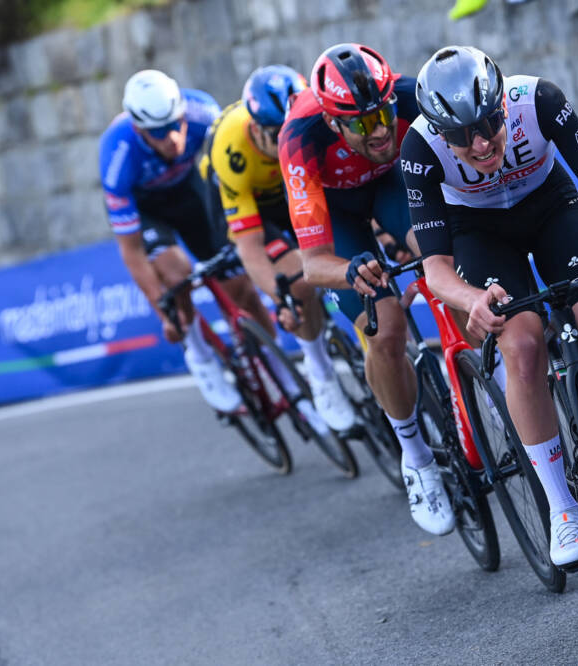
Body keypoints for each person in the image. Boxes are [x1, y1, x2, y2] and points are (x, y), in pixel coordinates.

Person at [401, 46, 578, 566]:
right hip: (478, 232)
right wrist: (472, 299)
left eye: (489, 123)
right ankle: (562, 506)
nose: (481, 144)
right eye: (461, 136)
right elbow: (435, 269)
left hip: (551, 207)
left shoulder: (539, 100)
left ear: (503, 104)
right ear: (440, 132)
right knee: (522, 347)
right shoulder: (419, 147)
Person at [278, 43, 454, 535]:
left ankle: (487, 385)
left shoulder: (410, 95)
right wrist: (350, 270)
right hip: (338, 216)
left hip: (393, 184)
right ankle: (416, 457)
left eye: (382, 113)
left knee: (446, 261)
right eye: (361, 123)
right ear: (332, 123)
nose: (378, 130)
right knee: (387, 330)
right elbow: (314, 265)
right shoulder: (300, 138)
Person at [98, 69, 309, 425]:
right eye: (159, 132)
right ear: (139, 129)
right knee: (177, 274)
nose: (173, 137)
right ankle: (200, 358)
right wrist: (164, 312)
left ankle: (281, 369)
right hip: (148, 211)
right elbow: (132, 251)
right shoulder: (117, 155)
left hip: (190, 192)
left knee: (241, 287)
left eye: (176, 124)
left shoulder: (202, 111)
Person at [201, 65, 355, 431]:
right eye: (277, 134)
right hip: (254, 202)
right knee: (298, 282)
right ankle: (319, 370)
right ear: (256, 130)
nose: (288, 139)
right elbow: (250, 248)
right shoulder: (232, 151)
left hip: (293, 183)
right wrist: (281, 298)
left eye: (292, 128)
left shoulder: (308, 122)